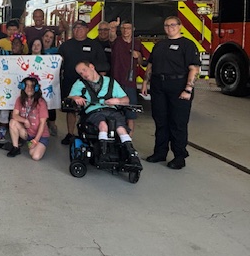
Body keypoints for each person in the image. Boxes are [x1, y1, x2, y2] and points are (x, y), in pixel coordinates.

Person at [141, 16, 200, 170]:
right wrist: (145, 83)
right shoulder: (159, 45)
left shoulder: (188, 45)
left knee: (178, 122)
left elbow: (194, 68)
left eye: (173, 24)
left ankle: (179, 157)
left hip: (179, 87)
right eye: (166, 25)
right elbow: (151, 65)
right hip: (158, 86)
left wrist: (188, 89)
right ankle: (160, 152)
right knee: (160, 120)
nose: (169, 27)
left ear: (180, 26)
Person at [68, 61, 141, 166]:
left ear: (92, 67)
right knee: (103, 125)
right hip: (94, 112)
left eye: (84, 70)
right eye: (81, 73)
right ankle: (103, 152)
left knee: (121, 128)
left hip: (112, 110)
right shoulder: (79, 83)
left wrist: (117, 100)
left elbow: (126, 99)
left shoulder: (110, 82)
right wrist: (76, 97)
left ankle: (131, 154)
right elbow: (70, 97)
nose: (84, 74)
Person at [57, 20, 108, 145]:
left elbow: (102, 66)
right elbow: (56, 64)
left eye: (81, 27)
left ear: (87, 29)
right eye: (75, 27)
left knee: (89, 108)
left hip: (90, 85)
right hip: (69, 82)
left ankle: (88, 133)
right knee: (70, 109)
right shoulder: (65, 46)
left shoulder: (95, 45)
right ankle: (70, 133)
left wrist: (100, 85)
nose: (78, 30)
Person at [108, 19, 146, 133]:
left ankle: (129, 139)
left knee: (130, 114)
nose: (126, 30)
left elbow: (142, 62)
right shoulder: (117, 41)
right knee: (114, 111)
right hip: (116, 82)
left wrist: (138, 55)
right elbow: (111, 37)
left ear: (133, 29)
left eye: (128, 28)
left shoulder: (137, 43)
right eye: (123, 28)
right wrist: (112, 28)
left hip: (130, 83)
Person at [6, 76, 49, 160]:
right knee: (13, 122)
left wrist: (36, 140)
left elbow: (42, 123)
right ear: (23, 87)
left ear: (36, 88)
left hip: (41, 135)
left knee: (35, 156)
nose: (29, 88)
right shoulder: (20, 100)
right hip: (27, 133)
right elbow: (14, 115)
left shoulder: (41, 102)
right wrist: (25, 120)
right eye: (27, 85)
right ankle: (15, 147)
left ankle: (34, 144)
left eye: (32, 86)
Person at [38, 30, 59, 136]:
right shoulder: (37, 48)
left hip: (50, 81)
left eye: (51, 37)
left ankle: (52, 124)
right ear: (42, 37)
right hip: (38, 80)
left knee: (50, 103)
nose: (48, 39)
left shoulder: (56, 51)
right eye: (46, 36)